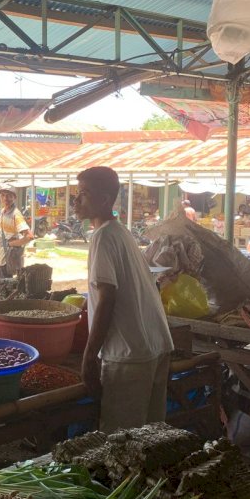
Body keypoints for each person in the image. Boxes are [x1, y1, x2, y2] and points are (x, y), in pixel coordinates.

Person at [75, 165, 173, 434]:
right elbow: (111, 290)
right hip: (154, 344)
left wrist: (88, 356)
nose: (76, 200)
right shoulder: (120, 231)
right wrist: (87, 304)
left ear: (104, 199)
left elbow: (108, 297)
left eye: (83, 194)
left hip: (129, 354)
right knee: (153, 439)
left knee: (121, 442)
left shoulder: (103, 237)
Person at [0, 183, 33, 299]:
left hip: (6, 261)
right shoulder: (3, 212)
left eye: (8, 195)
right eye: (3, 195)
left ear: (14, 197)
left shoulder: (15, 214)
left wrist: (11, 244)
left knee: (3, 295)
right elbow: (0, 237)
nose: (5, 198)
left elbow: (29, 236)